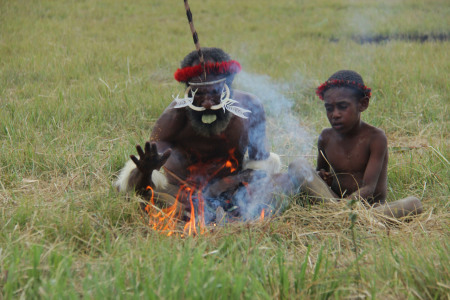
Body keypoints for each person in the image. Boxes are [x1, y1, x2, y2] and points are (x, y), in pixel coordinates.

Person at [115, 47, 287, 224]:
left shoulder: (250, 107)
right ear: (188, 90)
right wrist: (145, 172)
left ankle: (227, 213)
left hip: (234, 188)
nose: (206, 104)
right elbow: (144, 183)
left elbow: (259, 166)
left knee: (290, 178)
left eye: (214, 93)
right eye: (199, 95)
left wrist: (233, 183)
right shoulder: (173, 117)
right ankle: (197, 216)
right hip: (184, 193)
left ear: (229, 85)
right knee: (155, 197)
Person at [293, 69, 423, 218]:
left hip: (371, 209)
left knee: (414, 203)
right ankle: (343, 218)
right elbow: (319, 180)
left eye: (342, 107)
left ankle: (341, 218)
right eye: (329, 108)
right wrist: (322, 176)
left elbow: (369, 187)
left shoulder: (375, 138)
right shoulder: (326, 137)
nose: (335, 114)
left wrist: (345, 208)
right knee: (297, 165)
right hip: (334, 202)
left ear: (363, 104)